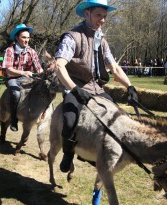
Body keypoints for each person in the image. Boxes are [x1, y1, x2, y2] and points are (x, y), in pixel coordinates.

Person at [55, 0, 139, 173]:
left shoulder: (102, 40)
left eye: (105, 16)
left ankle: (95, 151)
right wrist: (73, 89)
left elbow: (114, 67)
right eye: (98, 15)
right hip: (75, 86)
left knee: (116, 116)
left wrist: (130, 86)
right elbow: (59, 65)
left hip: (97, 88)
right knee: (70, 120)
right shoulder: (72, 37)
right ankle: (68, 153)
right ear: (87, 13)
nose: (102, 20)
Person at [1, 24, 43, 131]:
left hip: (27, 78)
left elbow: (39, 69)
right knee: (16, 93)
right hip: (12, 78)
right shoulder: (9, 50)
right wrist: (23, 72)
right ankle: (14, 119)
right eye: (24, 37)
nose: (27, 40)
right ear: (17, 37)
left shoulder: (32, 51)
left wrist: (45, 76)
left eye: (28, 37)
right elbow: (8, 70)